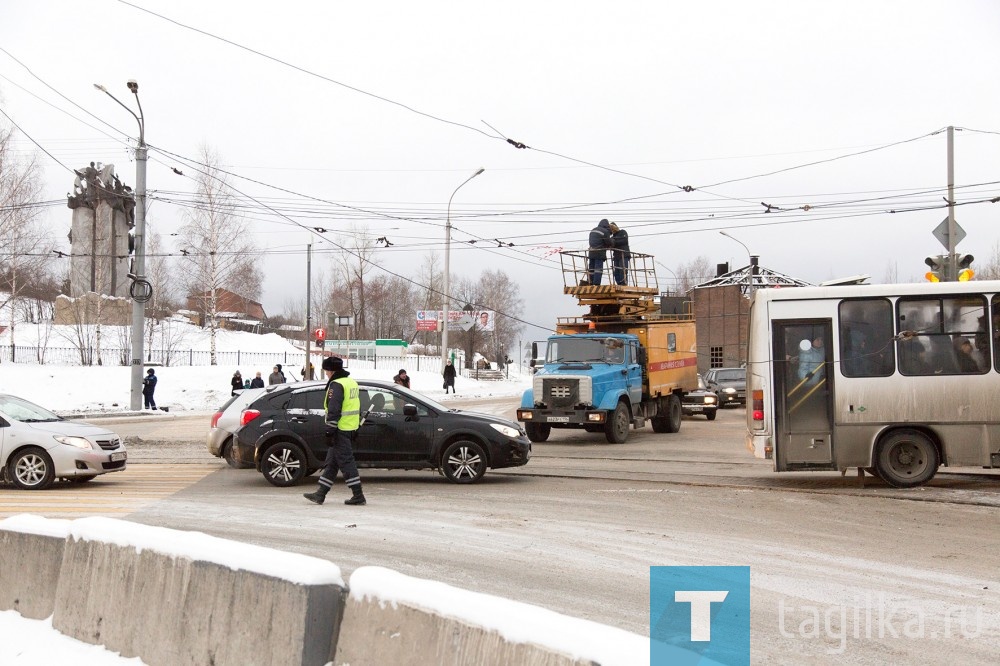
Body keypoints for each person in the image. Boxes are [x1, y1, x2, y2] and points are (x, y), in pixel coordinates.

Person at [303, 356, 366, 506]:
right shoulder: (351, 382)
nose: (326, 374)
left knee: (346, 461)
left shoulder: (336, 384)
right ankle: (320, 494)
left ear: (331, 370)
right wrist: (355, 426)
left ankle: (358, 495)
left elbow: (334, 409)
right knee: (332, 462)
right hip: (349, 427)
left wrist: (329, 431)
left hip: (339, 429)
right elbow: (355, 406)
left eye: (326, 371)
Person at [584, 218, 613, 286]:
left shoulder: (593, 230)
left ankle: (590, 282)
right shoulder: (605, 231)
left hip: (591, 252)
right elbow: (609, 243)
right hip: (599, 253)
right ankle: (596, 283)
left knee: (591, 268)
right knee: (598, 269)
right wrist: (612, 241)